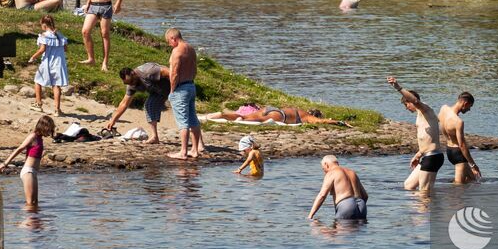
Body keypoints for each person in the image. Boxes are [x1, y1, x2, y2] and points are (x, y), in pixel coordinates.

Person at [386, 75, 443, 193]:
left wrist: (398, 87)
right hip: (426, 155)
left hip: (433, 156)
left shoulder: (426, 109)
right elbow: (426, 138)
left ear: (410, 101)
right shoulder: (420, 115)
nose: (407, 108)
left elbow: (415, 101)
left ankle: (428, 210)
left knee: (424, 193)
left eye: (406, 105)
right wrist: (418, 155)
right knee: (409, 185)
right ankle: (423, 209)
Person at [104, 62, 171, 143]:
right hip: (159, 92)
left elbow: (170, 72)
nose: (131, 84)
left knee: (182, 112)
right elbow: (124, 103)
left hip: (175, 87)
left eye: (131, 81)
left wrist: (175, 89)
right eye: (127, 83)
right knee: (149, 105)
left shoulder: (148, 71)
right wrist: (113, 120)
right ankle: (154, 137)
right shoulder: (131, 85)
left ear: (133, 73)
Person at [164, 26, 204, 160]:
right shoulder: (191, 49)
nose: (169, 44)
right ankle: (195, 150)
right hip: (191, 86)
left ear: (173, 38)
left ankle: (183, 152)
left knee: (183, 122)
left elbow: (174, 73)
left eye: (169, 42)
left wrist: (172, 90)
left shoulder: (177, 52)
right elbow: (195, 69)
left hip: (180, 88)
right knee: (193, 119)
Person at [0, 115, 55, 209]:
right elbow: (19, 149)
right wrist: (5, 163)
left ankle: (34, 223)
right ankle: (24, 222)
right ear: (44, 126)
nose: (50, 131)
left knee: (35, 203)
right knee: (30, 203)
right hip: (28, 171)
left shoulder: (40, 138)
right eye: (49, 129)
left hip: (33, 173)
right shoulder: (33, 136)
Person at [80, 0, 126, 72]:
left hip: (105, 6)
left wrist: (118, 4)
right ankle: (91, 59)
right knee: (85, 31)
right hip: (93, 6)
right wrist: (88, 3)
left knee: (105, 34)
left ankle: (105, 63)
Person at [26, 14, 69, 115]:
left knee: (37, 81)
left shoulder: (44, 36)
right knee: (56, 85)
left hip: (47, 63)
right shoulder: (60, 35)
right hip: (59, 63)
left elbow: (42, 50)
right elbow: (65, 49)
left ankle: (38, 103)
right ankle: (57, 110)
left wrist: (33, 57)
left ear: (44, 25)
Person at [308, 154, 368, 222]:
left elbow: (322, 195)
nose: (324, 172)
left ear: (326, 164)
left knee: (340, 231)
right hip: (361, 205)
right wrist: (357, 208)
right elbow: (365, 196)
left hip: (346, 205)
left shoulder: (332, 172)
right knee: (357, 232)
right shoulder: (352, 172)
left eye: (323, 169)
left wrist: (310, 216)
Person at [438, 91, 480, 184]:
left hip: (449, 151)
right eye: (470, 106)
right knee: (458, 187)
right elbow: (462, 145)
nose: (469, 110)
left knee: (474, 180)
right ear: (465, 103)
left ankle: (467, 197)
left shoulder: (444, 109)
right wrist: (473, 165)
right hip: (458, 155)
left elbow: (437, 121)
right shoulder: (458, 122)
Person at [201, 106, 345, 126]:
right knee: (258, 120)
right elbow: (322, 121)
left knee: (245, 116)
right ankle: (238, 119)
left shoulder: (298, 108)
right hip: (279, 115)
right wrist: (340, 122)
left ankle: (223, 115)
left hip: (271, 108)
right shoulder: (306, 116)